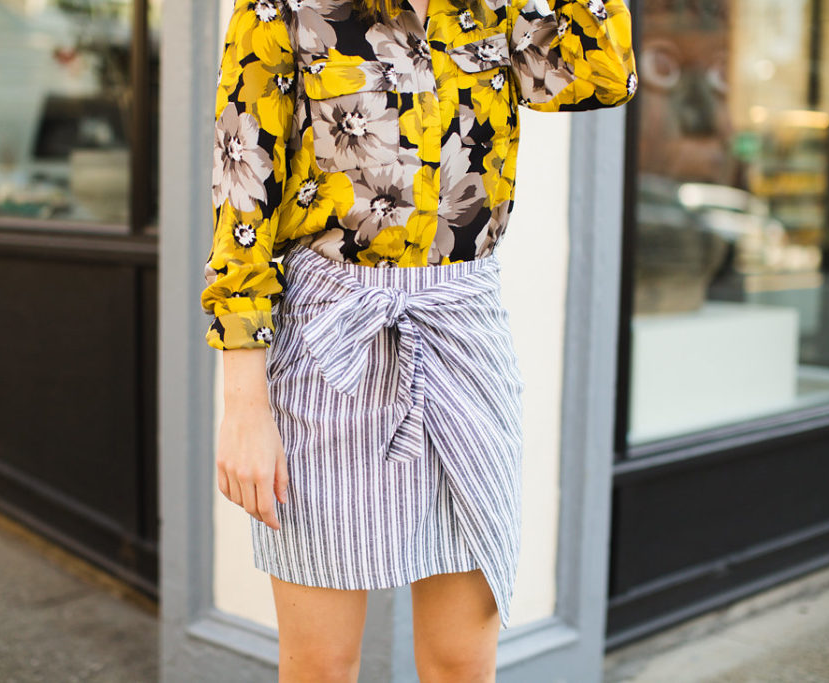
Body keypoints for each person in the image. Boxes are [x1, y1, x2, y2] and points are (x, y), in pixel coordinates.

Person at [201, 0, 637, 680]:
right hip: (329, 336)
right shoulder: (285, 8)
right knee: (319, 665)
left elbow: (600, 76)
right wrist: (244, 407)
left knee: (463, 664)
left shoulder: (499, 7)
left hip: (463, 329)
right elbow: (242, 205)